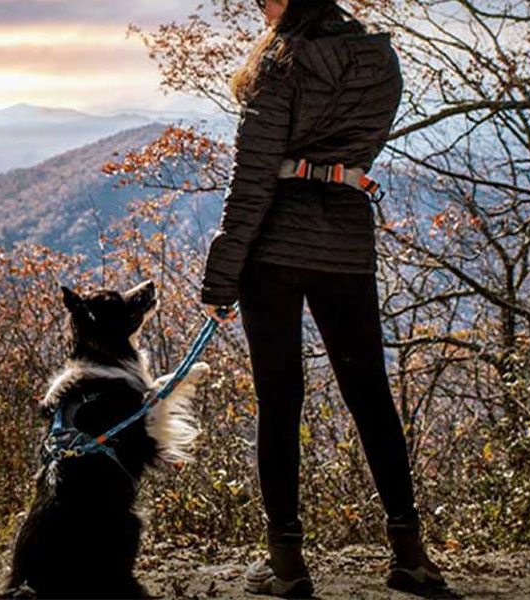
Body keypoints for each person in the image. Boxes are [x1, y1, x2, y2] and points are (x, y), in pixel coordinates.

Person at [199, 0, 447, 597]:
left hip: (276, 250)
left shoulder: (280, 63)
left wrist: (221, 277)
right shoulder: (380, 58)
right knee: (371, 398)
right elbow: (360, 147)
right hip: (346, 240)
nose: (260, 9)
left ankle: (286, 565)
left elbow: (252, 181)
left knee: (280, 403)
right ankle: (410, 556)